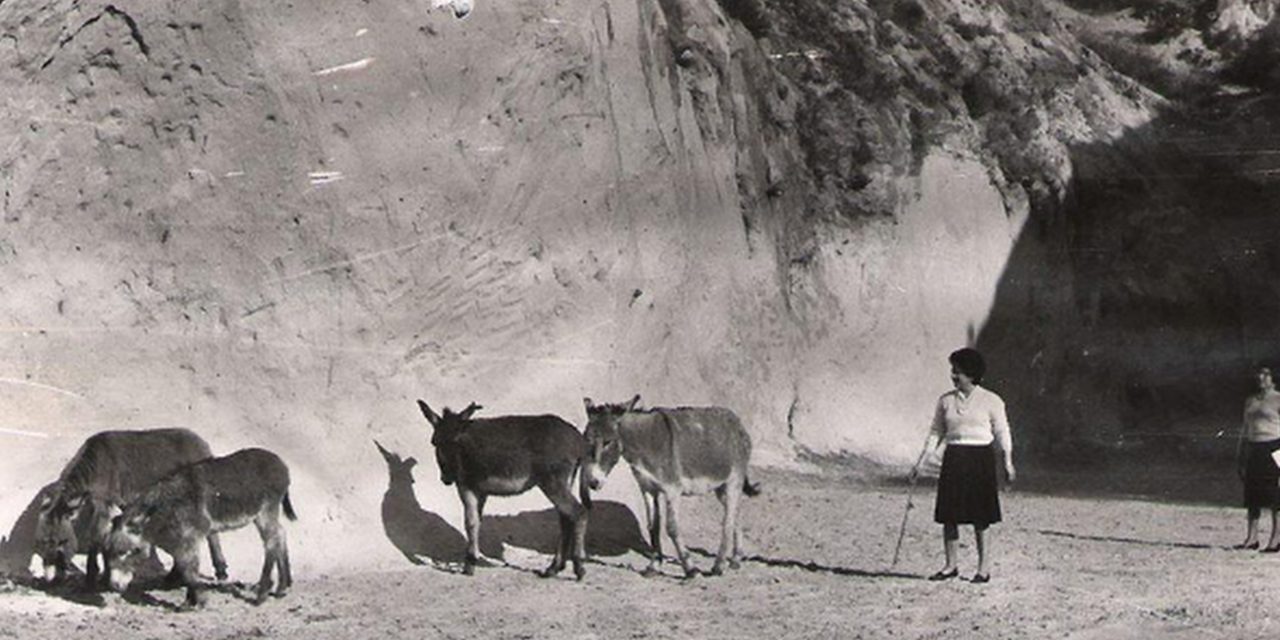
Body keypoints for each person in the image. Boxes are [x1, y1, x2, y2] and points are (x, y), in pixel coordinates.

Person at [913, 347, 1015, 583]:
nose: (953, 376)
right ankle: (951, 566)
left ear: (971, 374)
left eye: (957, 371)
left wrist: (1008, 461)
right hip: (954, 457)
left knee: (981, 516)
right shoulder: (946, 401)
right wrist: (921, 462)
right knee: (949, 514)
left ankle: (983, 569)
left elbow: (1002, 432)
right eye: (953, 371)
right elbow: (936, 432)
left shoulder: (992, 400)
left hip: (981, 458)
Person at [1235, 366, 1280, 552]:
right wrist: (1240, 454)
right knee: (1252, 494)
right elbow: (1245, 429)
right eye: (1259, 373)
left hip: (1275, 447)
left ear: (1273, 377)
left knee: (1275, 494)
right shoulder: (1251, 400)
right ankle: (1251, 538)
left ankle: (1276, 539)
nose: (1261, 377)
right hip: (1254, 447)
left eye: (1266, 374)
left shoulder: (1278, 398)